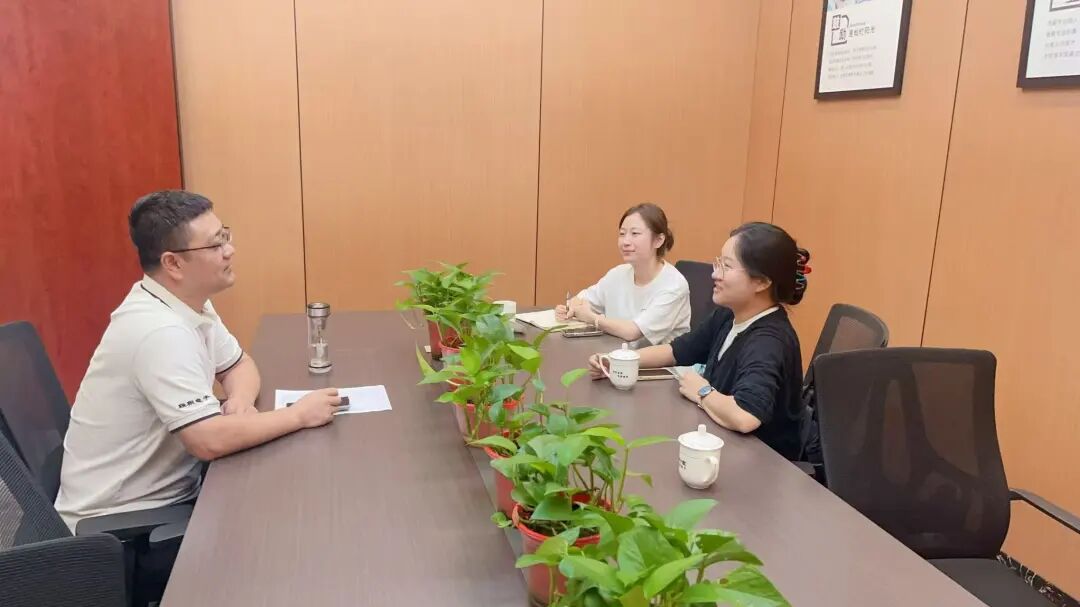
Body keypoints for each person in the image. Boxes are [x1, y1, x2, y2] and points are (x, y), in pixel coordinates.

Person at [55, 190, 344, 531]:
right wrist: (298, 415)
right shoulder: (158, 331)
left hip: (171, 491)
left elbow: (239, 365)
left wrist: (239, 402)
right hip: (123, 522)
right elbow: (207, 440)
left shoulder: (186, 302)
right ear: (173, 264)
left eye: (225, 236)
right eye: (215, 244)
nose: (229, 250)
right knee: (285, 521)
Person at [588, 222, 812, 460]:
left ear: (762, 282)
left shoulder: (768, 340)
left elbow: (745, 416)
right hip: (720, 443)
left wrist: (702, 391)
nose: (715, 274)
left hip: (762, 463)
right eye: (718, 263)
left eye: (726, 266)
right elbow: (677, 350)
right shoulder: (729, 314)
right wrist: (619, 361)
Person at [555, 203, 690, 347]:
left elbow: (633, 332)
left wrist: (592, 318)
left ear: (658, 240)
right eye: (622, 234)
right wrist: (570, 308)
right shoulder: (618, 273)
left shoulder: (674, 285)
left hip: (656, 361)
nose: (625, 241)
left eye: (635, 233)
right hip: (614, 354)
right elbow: (582, 300)